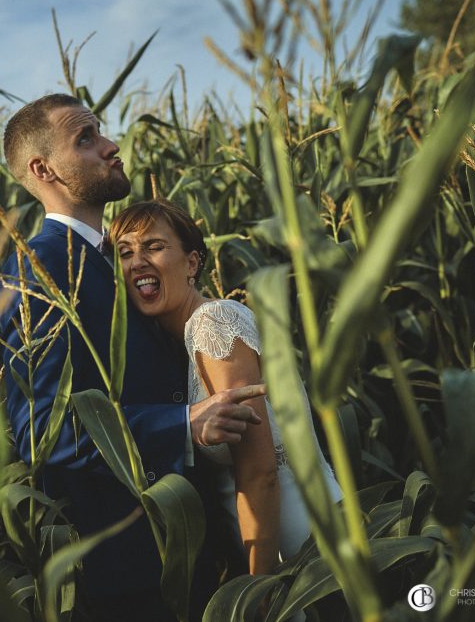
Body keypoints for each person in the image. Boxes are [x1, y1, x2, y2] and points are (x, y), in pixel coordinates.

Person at [0, 94, 266, 620]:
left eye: (101, 132)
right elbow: (40, 425)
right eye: (86, 139)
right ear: (43, 169)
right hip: (124, 567)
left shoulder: (117, 256)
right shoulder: (39, 266)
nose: (111, 145)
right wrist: (182, 423)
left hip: (188, 544)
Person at [109, 200, 344, 573]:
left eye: (153, 246)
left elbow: (260, 471)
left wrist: (258, 587)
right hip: (272, 541)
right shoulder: (179, 344)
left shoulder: (213, 322)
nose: (137, 261)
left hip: (300, 543)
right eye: (125, 253)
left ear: (191, 263)